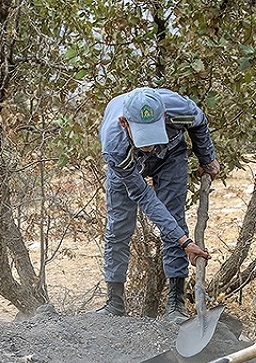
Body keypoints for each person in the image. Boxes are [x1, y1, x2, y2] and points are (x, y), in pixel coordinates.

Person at [94, 87, 219, 324]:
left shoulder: (180, 111)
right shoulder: (114, 145)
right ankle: (114, 303)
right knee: (119, 226)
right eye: (143, 137)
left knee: (174, 217)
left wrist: (206, 158)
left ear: (163, 117)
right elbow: (144, 197)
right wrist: (185, 242)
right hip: (127, 163)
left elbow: (199, 123)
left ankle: (175, 304)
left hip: (170, 156)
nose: (148, 146)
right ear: (124, 123)